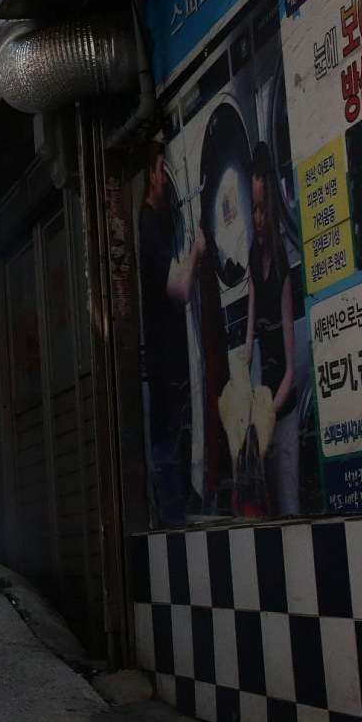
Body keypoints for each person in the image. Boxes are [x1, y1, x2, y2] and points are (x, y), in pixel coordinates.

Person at [137, 138, 201, 525]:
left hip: (172, 361)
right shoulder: (147, 226)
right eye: (163, 170)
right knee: (167, 445)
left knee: (172, 441)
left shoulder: (159, 222)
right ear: (150, 175)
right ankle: (173, 520)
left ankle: (176, 512)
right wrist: (197, 250)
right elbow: (179, 288)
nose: (168, 178)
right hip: (164, 365)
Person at [245, 143, 302, 514]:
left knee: (289, 506)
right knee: (265, 510)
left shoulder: (282, 269)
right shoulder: (253, 258)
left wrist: (268, 413)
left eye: (263, 209)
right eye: (253, 209)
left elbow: (292, 369)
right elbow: (249, 341)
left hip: (284, 407)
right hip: (265, 404)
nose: (258, 217)